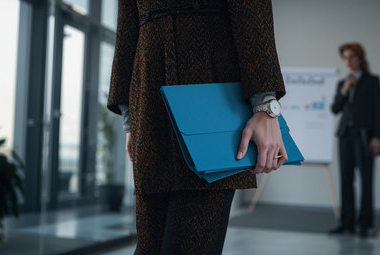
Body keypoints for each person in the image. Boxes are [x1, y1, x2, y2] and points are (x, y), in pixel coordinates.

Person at [107, 0, 287, 253]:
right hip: (149, 95)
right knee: (150, 247)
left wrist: (265, 104)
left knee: (192, 242)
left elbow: (252, 11)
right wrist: (129, 118)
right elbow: (127, 28)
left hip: (211, 86)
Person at [329, 42, 380, 238]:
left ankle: (365, 223)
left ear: (360, 58)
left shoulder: (372, 81)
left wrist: (377, 136)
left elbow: (378, 111)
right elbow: (334, 109)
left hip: (365, 137)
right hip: (345, 136)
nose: (348, 61)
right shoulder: (342, 83)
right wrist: (345, 90)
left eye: (351, 56)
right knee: (346, 180)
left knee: (366, 180)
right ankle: (346, 223)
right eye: (345, 57)